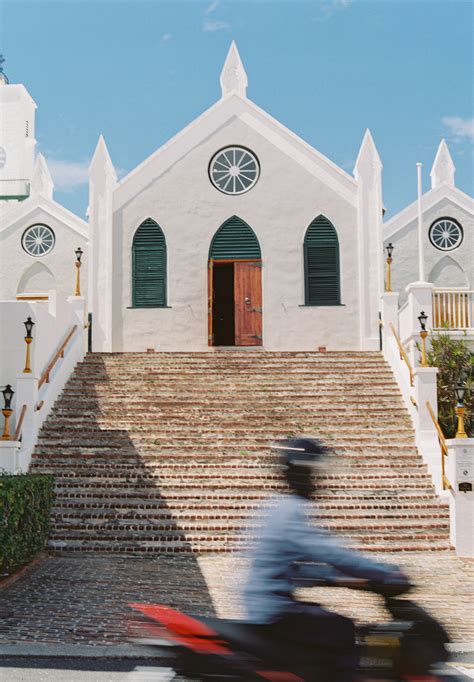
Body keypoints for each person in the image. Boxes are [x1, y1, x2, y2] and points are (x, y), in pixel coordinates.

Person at [242, 437, 409, 681]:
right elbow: (331, 553)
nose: (318, 482)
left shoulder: (273, 506)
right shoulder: (292, 510)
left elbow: (299, 567)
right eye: (314, 473)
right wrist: (384, 573)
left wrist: (337, 579)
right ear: (302, 473)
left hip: (263, 604)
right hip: (276, 609)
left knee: (324, 625)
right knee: (341, 629)